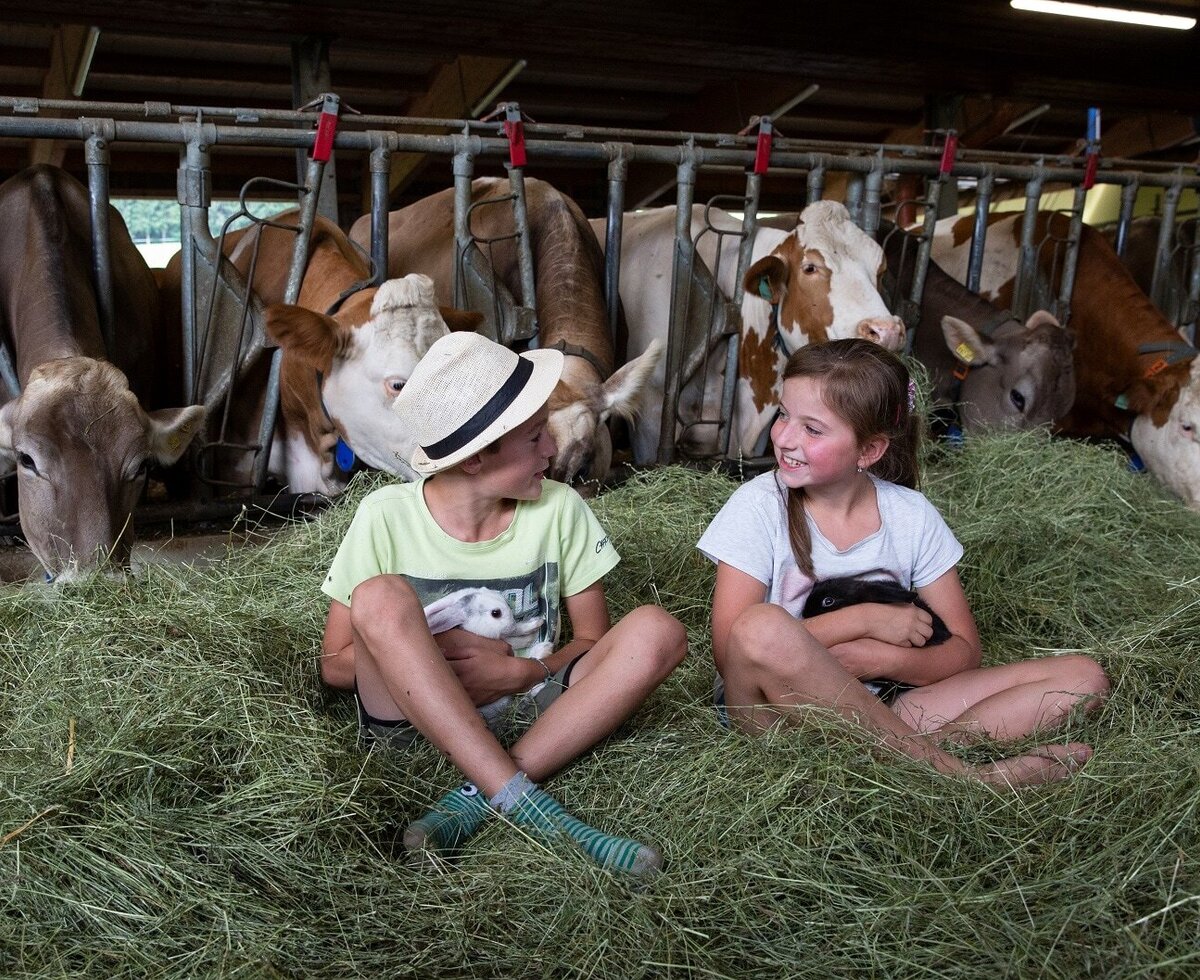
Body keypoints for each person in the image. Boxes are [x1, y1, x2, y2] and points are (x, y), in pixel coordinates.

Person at [320, 330, 687, 873]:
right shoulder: (385, 516)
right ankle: (540, 812)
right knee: (379, 596)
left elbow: (592, 640)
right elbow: (333, 665)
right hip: (415, 719)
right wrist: (438, 661)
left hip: (534, 709)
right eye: (536, 436)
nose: (552, 450)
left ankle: (476, 795)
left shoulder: (560, 509)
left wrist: (525, 671)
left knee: (660, 629)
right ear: (474, 458)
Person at [697, 338, 1109, 786]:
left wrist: (874, 660)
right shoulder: (757, 506)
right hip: (778, 717)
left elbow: (965, 653)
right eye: (783, 414)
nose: (783, 437)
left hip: (891, 704)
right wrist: (866, 620)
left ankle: (917, 756)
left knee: (1083, 677)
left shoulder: (910, 515)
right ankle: (966, 779)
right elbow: (733, 650)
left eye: (812, 429)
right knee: (760, 626)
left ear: (869, 450)